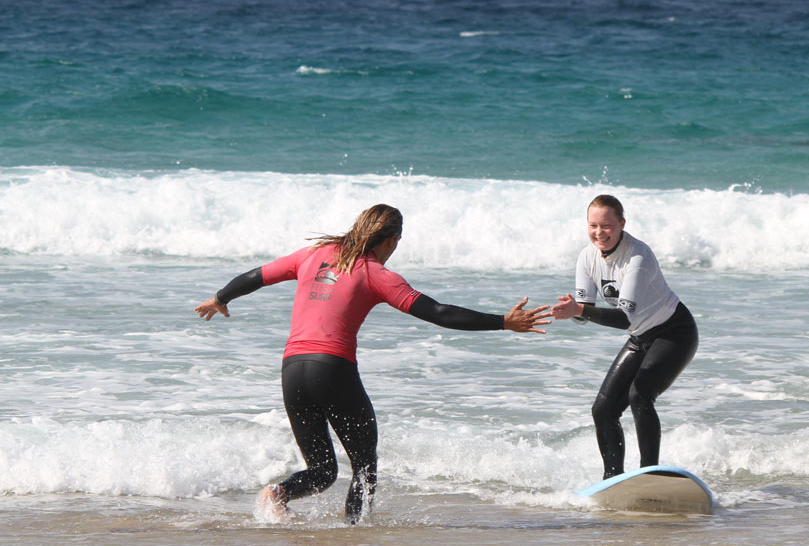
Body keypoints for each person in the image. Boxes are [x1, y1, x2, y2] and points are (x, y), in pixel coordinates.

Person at [194, 204, 551, 522]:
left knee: (321, 470)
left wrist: (219, 298)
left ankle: (277, 494)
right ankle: (354, 531)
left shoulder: (313, 254)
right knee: (364, 467)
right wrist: (503, 322)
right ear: (392, 240)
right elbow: (438, 312)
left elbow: (257, 276)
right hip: (332, 368)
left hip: (292, 369)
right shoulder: (374, 272)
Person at [551, 195, 698, 480]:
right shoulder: (587, 257)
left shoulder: (637, 256)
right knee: (603, 409)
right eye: (593, 225)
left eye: (606, 226)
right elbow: (585, 315)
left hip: (674, 332)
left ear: (621, 224)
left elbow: (623, 318)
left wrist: (581, 310)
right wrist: (573, 310)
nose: (599, 232)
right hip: (640, 336)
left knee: (639, 395)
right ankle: (613, 478)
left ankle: (649, 475)